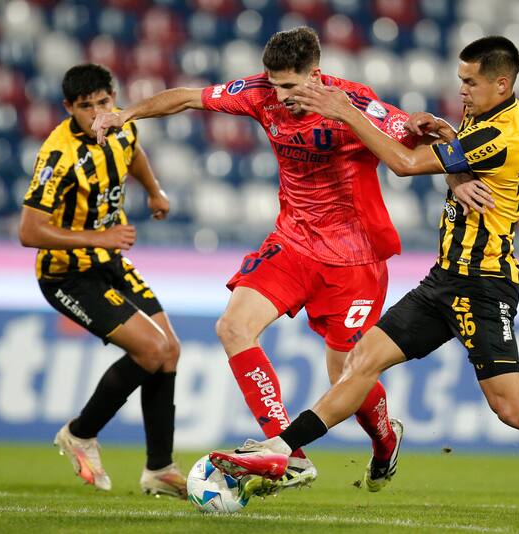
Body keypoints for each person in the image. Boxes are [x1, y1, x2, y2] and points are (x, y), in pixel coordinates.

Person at [208, 36, 519, 523]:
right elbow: (451, 158)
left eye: (470, 82)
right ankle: (282, 449)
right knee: (358, 365)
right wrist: (454, 173)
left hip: (484, 283)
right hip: (444, 280)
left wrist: (346, 112)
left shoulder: (505, 132)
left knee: (512, 409)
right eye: (460, 79)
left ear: (501, 83)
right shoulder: (477, 117)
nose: (461, 89)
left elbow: (404, 165)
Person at [91, 27, 425, 494]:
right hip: (292, 243)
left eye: (291, 86)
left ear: (316, 73)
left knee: (346, 375)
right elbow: (187, 98)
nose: (281, 96)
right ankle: (287, 451)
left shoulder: (352, 102)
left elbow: (410, 136)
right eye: (274, 84)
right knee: (232, 327)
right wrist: (126, 113)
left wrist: (434, 139)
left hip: (355, 259)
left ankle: (385, 440)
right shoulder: (258, 94)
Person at [19, 64, 186, 498]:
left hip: (108, 260)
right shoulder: (57, 155)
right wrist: (100, 236)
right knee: (151, 349)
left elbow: (133, 154)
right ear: (68, 108)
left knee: (169, 352)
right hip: (68, 274)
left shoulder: (121, 125)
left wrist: (154, 190)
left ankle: (160, 468)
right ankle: (79, 433)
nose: (97, 113)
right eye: (86, 106)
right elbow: (29, 231)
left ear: (114, 96)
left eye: (103, 102)